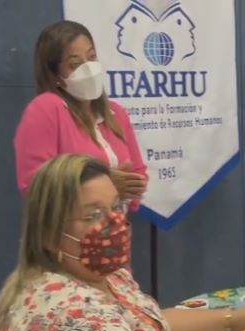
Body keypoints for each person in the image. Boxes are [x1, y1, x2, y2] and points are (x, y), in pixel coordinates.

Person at [0, 155, 245, 331]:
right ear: (50, 235)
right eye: (92, 215)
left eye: (116, 206)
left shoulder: (100, 273)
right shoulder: (70, 317)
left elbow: (145, 323)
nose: (114, 222)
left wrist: (231, 321)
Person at [14, 20, 147, 205]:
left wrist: (132, 185)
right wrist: (105, 186)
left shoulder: (116, 112)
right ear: (55, 75)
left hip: (115, 227)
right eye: (75, 64)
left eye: (92, 58)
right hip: (69, 232)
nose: (89, 69)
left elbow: (138, 172)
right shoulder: (45, 109)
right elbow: (35, 188)